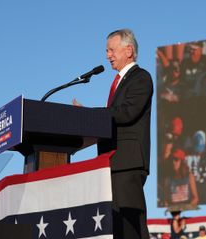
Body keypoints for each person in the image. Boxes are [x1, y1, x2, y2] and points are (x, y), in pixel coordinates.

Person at [91, 29, 153, 239]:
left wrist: (93, 115)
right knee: (117, 228)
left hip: (128, 162)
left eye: (111, 50)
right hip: (111, 162)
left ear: (129, 50)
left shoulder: (141, 77)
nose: (108, 55)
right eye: (106, 51)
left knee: (131, 227)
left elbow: (127, 113)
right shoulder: (118, 81)